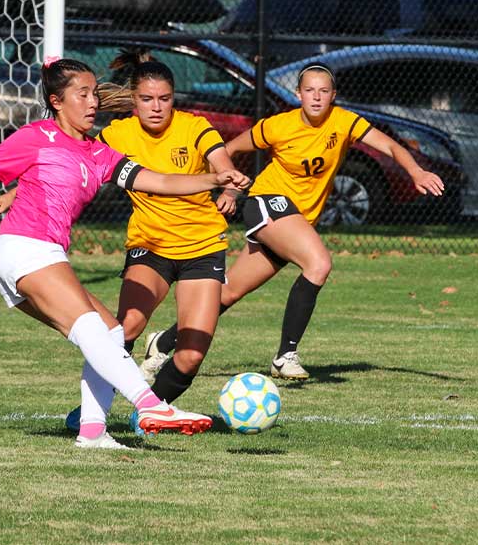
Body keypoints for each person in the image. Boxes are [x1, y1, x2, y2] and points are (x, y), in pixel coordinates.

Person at [0, 57, 251, 449]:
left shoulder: (98, 154)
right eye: (81, 94)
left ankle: (93, 431)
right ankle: (150, 404)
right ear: (57, 101)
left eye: (94, 93)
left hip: (43, 255)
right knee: (92, 328)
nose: (92, 102)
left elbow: (161, 181)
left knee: (112, 333)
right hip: (24, 249)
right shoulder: (37, 136)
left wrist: (214, 178)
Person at [0, 49, 243, 436]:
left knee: (189, 358)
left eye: (165, 99)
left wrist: (227, 184)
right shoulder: (116, 134)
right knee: (124, 329)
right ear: (133, 102)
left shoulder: (195, 127)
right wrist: (13, 194)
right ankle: (116, 411)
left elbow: (221, 162)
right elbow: (65, 160)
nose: (156, 108)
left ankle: (147, 412)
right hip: (150, 247)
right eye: (146, 99)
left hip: (202, 247)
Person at [141, 62, 445, 380]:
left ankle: (162, 342)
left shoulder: (344, 122)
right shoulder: (278, 125)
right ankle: (286, 355)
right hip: (267, 203)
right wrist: (228, 188)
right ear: (298, 94)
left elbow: (391, 146)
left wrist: (417, 172)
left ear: (333, 96)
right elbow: (226, 149)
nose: (316, 97)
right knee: (318, 264)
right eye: (309, 90)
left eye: (324, 91)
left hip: (293, 220)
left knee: (228, 294)